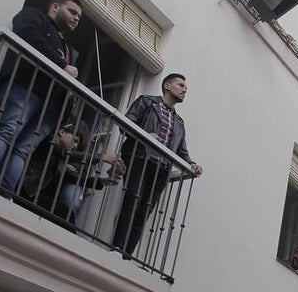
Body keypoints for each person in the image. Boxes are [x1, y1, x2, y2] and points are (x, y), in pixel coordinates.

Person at [0, 0, 82, 192]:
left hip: (51, 104)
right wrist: (61, 65)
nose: (76, 18)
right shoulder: (34, 16)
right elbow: (27, 34)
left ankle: (3, 193)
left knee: (23, 150)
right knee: (5, 132)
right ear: (55, 7)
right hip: (26, 87)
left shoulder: (69, 49)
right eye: (72, 11)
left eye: (79, 16)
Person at [113, 73, 203, 256]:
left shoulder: (179, 122)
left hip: (160, 170)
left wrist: (191, 163)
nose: (185, 89)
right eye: (181, 85)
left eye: (185, 87)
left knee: (144, 211)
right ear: (167, 86)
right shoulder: (146, 102)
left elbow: (181, 150)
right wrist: (144, 134)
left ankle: (127, 254)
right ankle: (117, 248)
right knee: (132, 201)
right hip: (139, 159)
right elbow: (125, 125)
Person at [21, 120, 123, 222]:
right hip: (22, 191)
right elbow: (66, 155)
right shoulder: (49, 141)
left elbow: (73, 178)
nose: (75, 146)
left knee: (67, 214)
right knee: (66, 215)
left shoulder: (57, 160)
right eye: (75, 140)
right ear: (62, 132)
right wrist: (102, 157)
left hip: (29, 195)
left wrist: (103, 181)